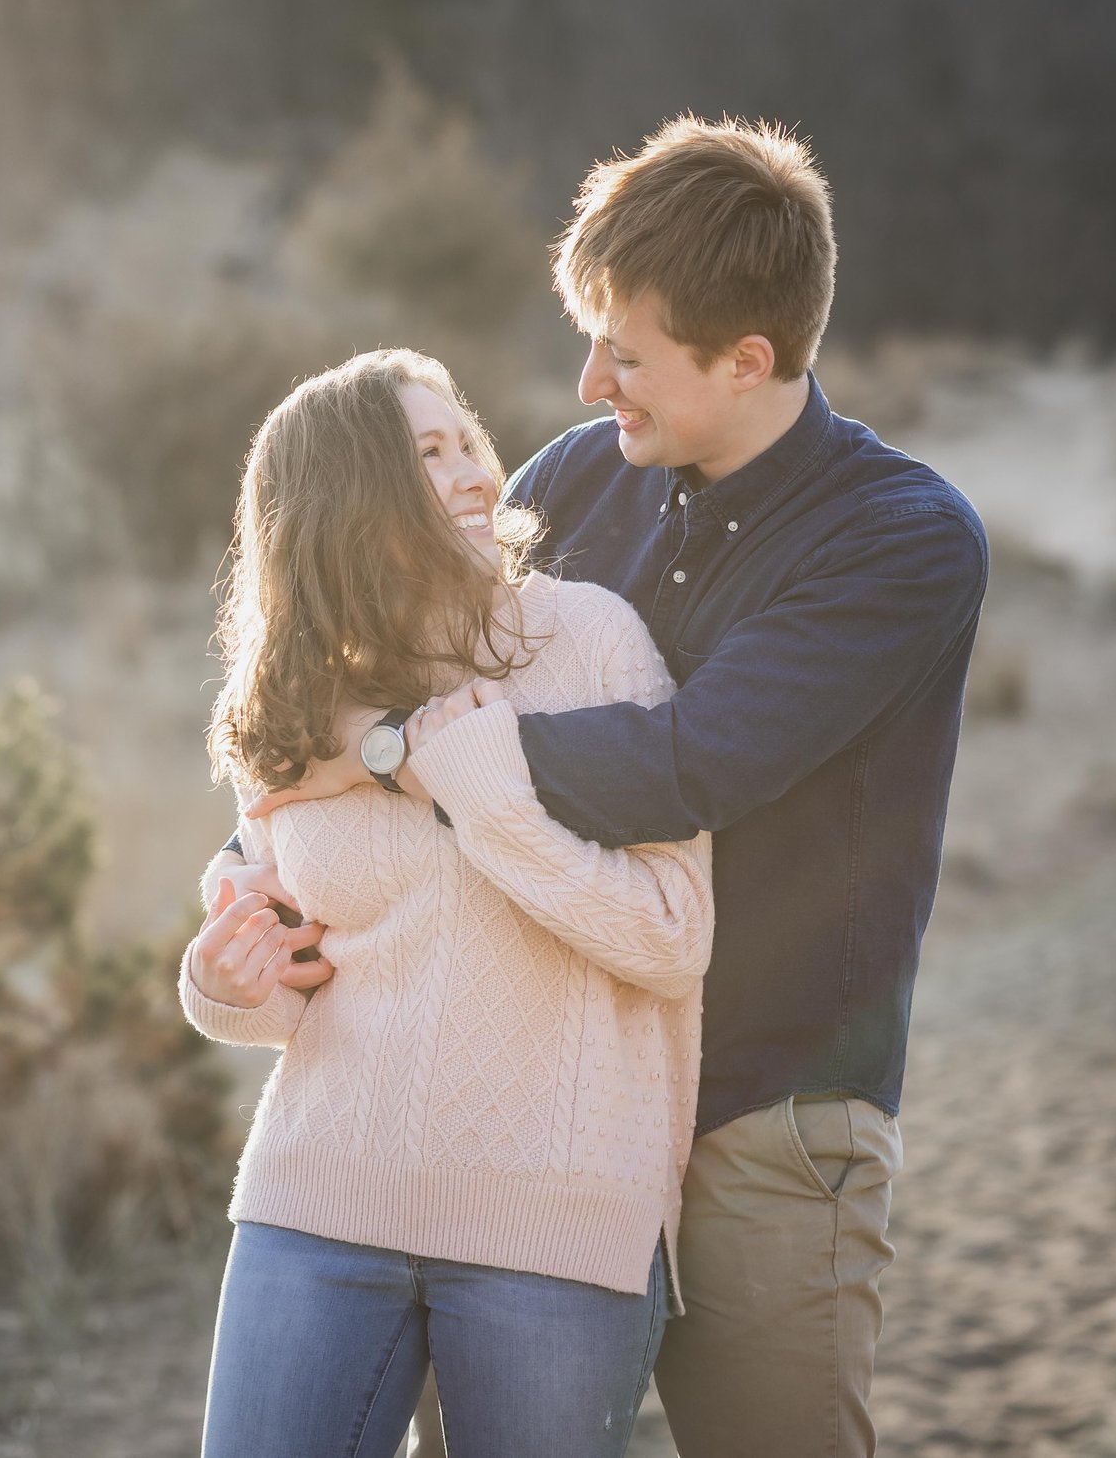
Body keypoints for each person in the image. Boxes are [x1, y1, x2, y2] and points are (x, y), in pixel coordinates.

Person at [231, 117, 989, 1457]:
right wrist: (261, 862)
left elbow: (687, 763)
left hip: (765, 1116)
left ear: (746, 358)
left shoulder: (900, 539)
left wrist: (400, 753)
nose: (589, 385)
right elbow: (399, 655)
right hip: (543, 1115)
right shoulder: (583, 478)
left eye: (625, 354)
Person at [181, 347, 715, 1458]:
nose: (477, 471)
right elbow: (275, 955)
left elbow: (672, 938)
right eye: (429, 454)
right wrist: (221, 984)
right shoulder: (295, 692)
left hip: (554, 1222)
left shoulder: (592, 638)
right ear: (346, 498)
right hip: (315, 1199)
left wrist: (483, 793)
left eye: (465, 438)